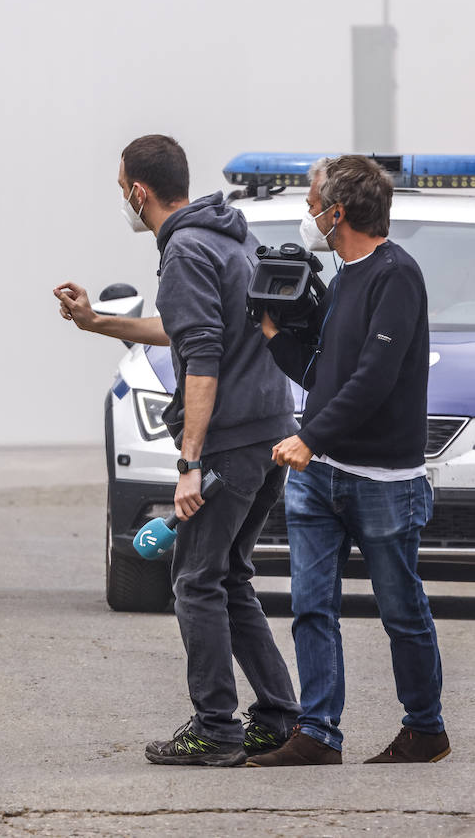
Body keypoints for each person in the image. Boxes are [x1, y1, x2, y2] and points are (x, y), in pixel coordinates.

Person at [55, 134, 300, 767]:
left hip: (230, 440)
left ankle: (214, 727)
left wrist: (189, 464)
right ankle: (276, 714)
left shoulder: (187, 250)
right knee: (229, 576)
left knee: (193, 581)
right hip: (268, 427)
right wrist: (98, 323)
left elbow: (203, 360)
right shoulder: (224, 235)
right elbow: (185, 326)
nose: (124, 202)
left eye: (121, 191)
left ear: (139, 191)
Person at [249, 155, 449, 766]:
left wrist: (309, 439)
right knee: (312, 606)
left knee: (402, 611)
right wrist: (274, 336)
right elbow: (322, 373)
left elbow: (374, 379)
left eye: (316, 205)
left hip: (383, 482)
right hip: (319, 479)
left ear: (338, 213)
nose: (310, 215)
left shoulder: (397, 276)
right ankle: (318, 733)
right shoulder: (342, 278)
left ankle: (426, 729)